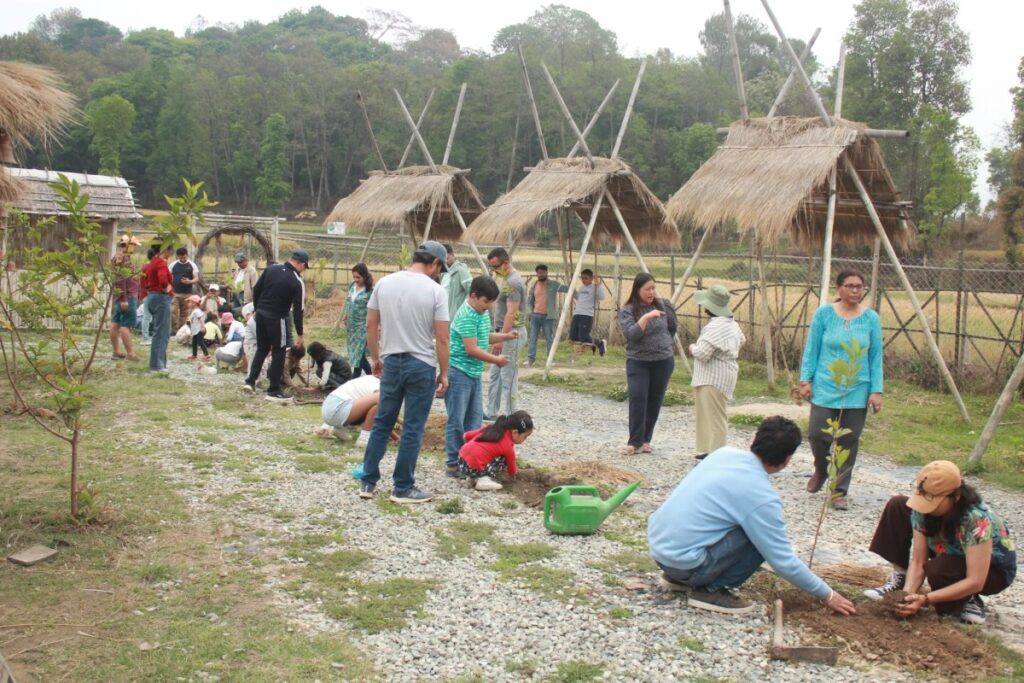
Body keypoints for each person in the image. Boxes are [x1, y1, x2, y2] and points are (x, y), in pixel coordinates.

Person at [648, 416, 857, 616]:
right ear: (787, 459)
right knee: (760, 541)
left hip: (660, 551)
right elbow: (782, 560)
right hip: (686, 564)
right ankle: (708, 590)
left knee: (734, 522)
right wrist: (827, 594)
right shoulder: (761, 497)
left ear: (755, 440)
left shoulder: (723, 453)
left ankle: (680, 579)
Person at [864, 460, 1015, 625]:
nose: (926, 507)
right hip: (948, 552)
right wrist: (906, 596)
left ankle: (969, 598)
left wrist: (925, 599)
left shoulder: (976, 519)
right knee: (898, 504)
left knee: (938, 569)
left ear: (955, 497)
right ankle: (900, 580)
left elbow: (975, 580)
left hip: (989, 573)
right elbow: (918, 560)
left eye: (934, 501)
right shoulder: (923, 508)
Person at [359, 240, 450, 505]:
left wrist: (376, 358)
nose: (438, 273)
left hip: (391, 362)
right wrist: (444, 373)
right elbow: (442, 339)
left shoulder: (385, 284)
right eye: (439, 268)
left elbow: (370, 326)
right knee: (412, 427)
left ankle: (368, 481)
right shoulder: (435, 291)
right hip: (420, 365)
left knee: (383, 422)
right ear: (433, 263)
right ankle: (402, 487)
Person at [799, 270, 883, 510]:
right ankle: (822, 469)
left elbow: (876, 356)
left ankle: (839, 491)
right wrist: (806, 380)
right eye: (850, 286)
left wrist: (876, 391)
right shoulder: (824, 314)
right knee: (817, 432)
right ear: (839, 288)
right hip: (826, 384)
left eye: (859, 286)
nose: (856, 291)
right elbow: (812, 348)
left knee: (848, 439)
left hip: (857, 387)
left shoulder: (870, 319)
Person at [445, 276, 519, 479]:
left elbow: (484, 337)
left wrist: (505, 336)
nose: (487, 307)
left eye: (490, 303)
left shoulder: (481, 313)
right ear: (474, 296)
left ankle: (470, 460)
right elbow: (471, 348)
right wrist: (496, 361)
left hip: (474, 374)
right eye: (485, 302)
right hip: (459, 372)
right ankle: (453, 462)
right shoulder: (466, 315)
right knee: (456, 420)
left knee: (475, 421)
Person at [617, 273, 677, 455]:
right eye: (647, 289)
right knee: (638, 398)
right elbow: (631, 334)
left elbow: (672, 328)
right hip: (638, 362)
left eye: (653, 288)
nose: (652, 292)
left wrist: (663, 345)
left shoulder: (664, 305)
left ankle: (645, 440)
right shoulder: (628, 310)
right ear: (637, 289)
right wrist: (647, 317)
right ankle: (634, 442)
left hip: (663, 361)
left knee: (654, 400)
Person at [690, 284, 746, 460]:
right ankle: (707, 449)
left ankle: (717, 454)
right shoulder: (730, 322)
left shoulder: (716, 326)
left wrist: (692, 347)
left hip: (714, 377)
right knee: (707, 414)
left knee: (715, 417)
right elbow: (742, 340)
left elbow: (702, 353)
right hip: (717, 376)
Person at [244, 250, 308, 402]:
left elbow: (257, 289)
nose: (303, 270)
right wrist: (300, 333)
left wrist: (258, 309)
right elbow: (298, 310)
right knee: (279, 351)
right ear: (301, 264)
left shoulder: (271, 269)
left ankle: (250, 382)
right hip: (278, 318)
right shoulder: (297, 281)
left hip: (260, 315)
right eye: (304, 267)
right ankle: (274, 389)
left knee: (262, 348)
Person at [486, 247, 527, 418]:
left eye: (496, 266)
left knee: (508, 375)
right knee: (495, 374)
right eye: (492, 267)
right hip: (503, 333)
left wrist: (501, 339)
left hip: (512, 334)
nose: (494, 270)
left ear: (506, 263)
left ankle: (512, 414)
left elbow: (512, 313)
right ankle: (491, 412)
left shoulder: (513, 282)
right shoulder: (504, 278)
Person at [458, 411, 533, 492]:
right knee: (503, 459)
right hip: (472, 465)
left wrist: (471, 450)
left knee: (483, 455)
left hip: (461, 460)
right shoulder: (507, 445)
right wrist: (513, 476)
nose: (525, 440)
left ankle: (473, 477)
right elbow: (512, 468)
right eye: (525, 437)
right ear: (515, 432)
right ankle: (483, 479)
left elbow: (466, 436)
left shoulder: (492, 428)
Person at [317, 374, 388, 446]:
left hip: (327, 407)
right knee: (381, 400)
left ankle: (338, 429)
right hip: (338, 409)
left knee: (375, 403)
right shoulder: (378, 386)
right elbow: (382, 415)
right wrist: (395, 437)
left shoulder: (368, 379)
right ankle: (364, 439)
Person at [110, 234, 142, 362]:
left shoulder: (120, 258)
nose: (134, 248)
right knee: (125, 325)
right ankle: (130, 354)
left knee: (116, 323)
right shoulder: (122, 259)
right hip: (127, 296)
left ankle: (117, 352)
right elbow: (120, 279)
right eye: (133, 245)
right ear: (128, 246)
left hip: (122, 296)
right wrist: (124, 299)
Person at [144, 243, 175, 373]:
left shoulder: (152, 262)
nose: (171, 252)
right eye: (170, 250)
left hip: (152, 296)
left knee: (159, 332)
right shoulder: (161, 263)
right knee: (162, 333)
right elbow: (163, 280)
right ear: (165, 250)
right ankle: (157, 365)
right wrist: (167, 288)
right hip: (161, 298)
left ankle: (159, 363)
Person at [526, 264, 563, 366]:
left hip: (548, 317)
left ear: (547, 272)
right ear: (537, 273)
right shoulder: (534, 286)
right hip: (536, 316)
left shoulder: (553, 284)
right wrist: (531, 311)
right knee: (533, 338)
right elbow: (529, 301)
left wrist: (572, 279)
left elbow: (567, 288)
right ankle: (530, 359)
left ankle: (551, 360)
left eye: (543, 272)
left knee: (549, 339)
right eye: (539, 272)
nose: (541, 274)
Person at [342, 263, 373, 378]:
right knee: (357, 354)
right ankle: (374, 376)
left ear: (364, 276)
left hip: (362, 326)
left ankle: (354, 379)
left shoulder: (370, 291)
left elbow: (374, 310)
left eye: (358, 277)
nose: (355, 280)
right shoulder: (352, 287)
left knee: (358, 354)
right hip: (351, 326)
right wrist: (345, 314)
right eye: (354, 277)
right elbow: (349, 302)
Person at [570, 268, 606, 356]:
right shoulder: (582, 288)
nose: (583, 280)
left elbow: (601, 297)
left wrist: (598, 285)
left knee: (583, 337)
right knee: (573, 337)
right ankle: (586, 347)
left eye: (585, 278)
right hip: (577, 313)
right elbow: (577, 297)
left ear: (591, 278)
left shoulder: (595, 288)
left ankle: (600, 343)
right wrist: (572, 285)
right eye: (582, 278)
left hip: (586, 315)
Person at [170, 247, 200, 332]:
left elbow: (196, 278)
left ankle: (182, 329)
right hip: (175, 293)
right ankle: (174, 330)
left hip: (187, 293)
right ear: (178, 256)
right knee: (173, 312)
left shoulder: (192, 265)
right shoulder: (173, 265)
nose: (183, 259)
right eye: (181, 257)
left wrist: (189, 281)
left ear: (187, 255)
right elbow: (169, 276)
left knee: (185, 313)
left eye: (184, 257)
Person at [441, 243, 473, 321]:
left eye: (447, 258)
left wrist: (462, 310)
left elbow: (472, 290)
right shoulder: (444, 273)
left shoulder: (461, 270)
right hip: (444, 313)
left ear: (452, 254)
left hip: (456, 316)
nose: (444, 261)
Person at [186, 296, 210, 361]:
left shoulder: (197, 311)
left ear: (194, 303)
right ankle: (194, 355)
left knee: (200, 342)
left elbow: (200, 319)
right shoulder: (194, 311)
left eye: (189, 302)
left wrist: (202, 326)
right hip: (196, 330)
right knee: (194, 342)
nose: (188, 304)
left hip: (199, 330)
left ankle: (206, 355)